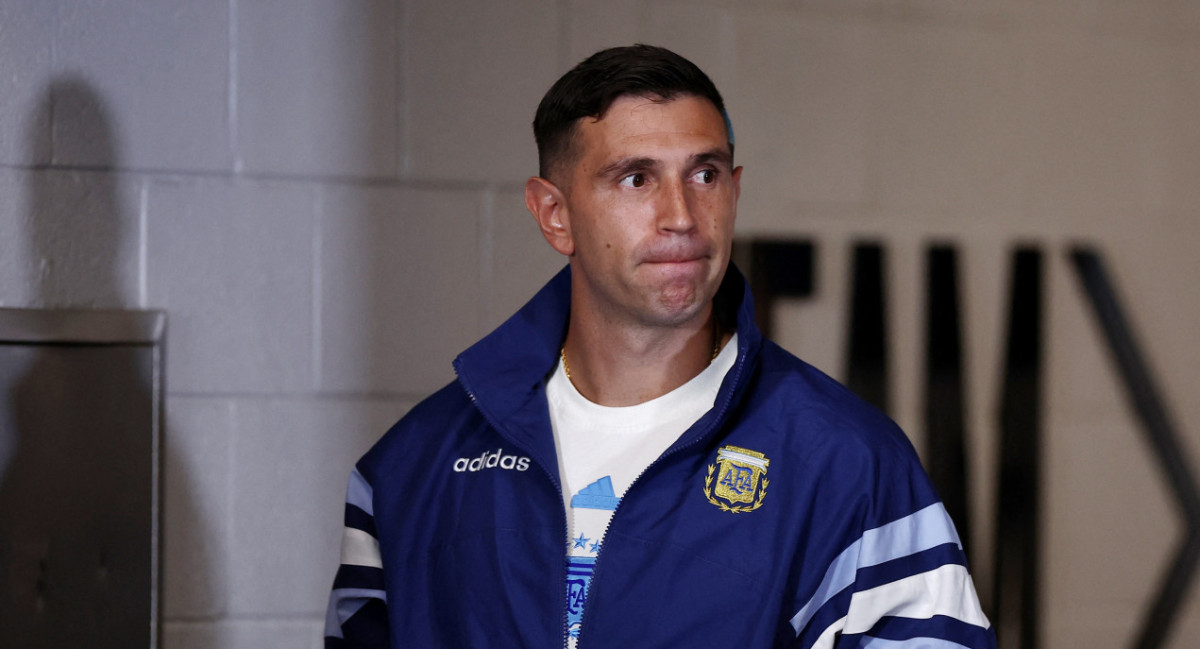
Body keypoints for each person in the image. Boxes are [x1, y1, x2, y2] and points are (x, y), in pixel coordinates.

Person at [324, 44, 995, 649]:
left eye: (704, 175)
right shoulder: (414, 467)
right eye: (636, 179)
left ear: (735, 191)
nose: (681, 215)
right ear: (555, 214)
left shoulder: (847, 462)